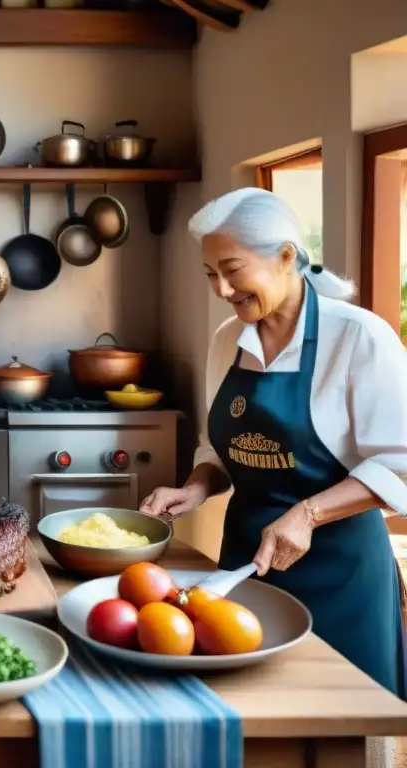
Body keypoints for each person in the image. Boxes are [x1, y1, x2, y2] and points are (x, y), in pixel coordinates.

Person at [140, 188, 407, 697]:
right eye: (210, 274)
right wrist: (195, 488)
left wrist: (307, 516)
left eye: (232, 269)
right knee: (251, 715)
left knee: (342, 727)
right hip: (247, 567)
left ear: (286, 256)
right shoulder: (227, 340)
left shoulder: (359, 338)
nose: (221, 289)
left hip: (340, 573)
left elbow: (398, 466)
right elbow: (218, 449)